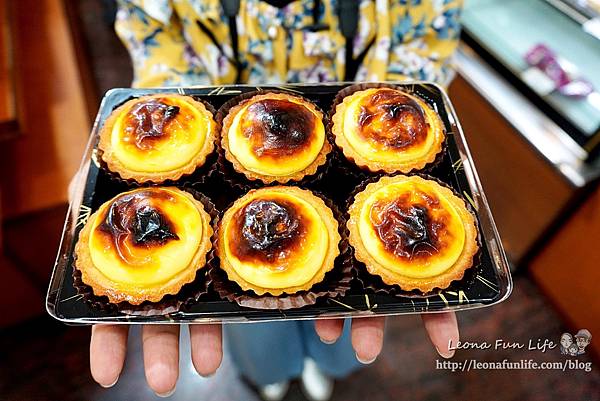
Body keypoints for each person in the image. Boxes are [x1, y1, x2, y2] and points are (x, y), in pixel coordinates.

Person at [89, 0, 463, 399]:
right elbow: (161, 49)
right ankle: (275, 376)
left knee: (342, 335)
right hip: (233, 209)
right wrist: (133, 144)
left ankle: (325, 368)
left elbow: (420, 64)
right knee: (260, 338)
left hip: (357, 182)